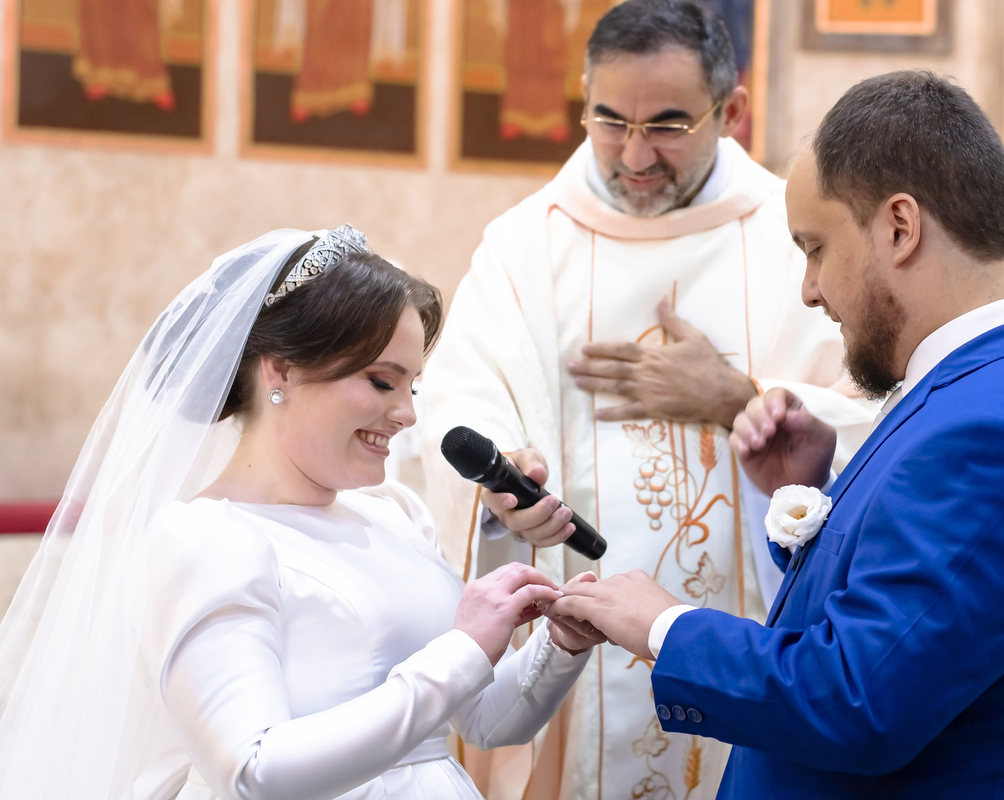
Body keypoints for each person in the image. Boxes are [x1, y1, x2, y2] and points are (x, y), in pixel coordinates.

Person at [549, 71, 1004, 799]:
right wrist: (804, 493)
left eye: (816, 247)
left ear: (899, 226)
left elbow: (855, 702)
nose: (809, 288)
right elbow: (906, 633)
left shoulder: (1000, 433)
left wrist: (664, 625)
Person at [416, 2, 874, 798]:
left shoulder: (792, 233)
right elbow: (457, 409)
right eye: (609, 120)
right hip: (569, 682)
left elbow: (883, 419)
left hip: (749, 653)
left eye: (667, 125)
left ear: (730, 112)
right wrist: (501, 496)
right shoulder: (527, 246)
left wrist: (742, 397)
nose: (634, 155)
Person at [0, 226, 604, 800]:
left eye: (412, 386)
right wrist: (463, 649)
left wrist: (558, 645)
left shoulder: (396, 515)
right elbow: (252, 770)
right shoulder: (207, 537)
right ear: (281, 371)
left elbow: (483, 722)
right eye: (380, 382)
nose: (407, 414)